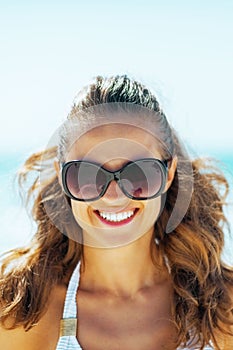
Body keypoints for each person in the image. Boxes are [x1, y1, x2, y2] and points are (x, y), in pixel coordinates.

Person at [0, 75, 233, 350]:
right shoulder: (19, 309)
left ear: (168, 174)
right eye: (88, 173)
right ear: (62, 177)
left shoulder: (223, 307)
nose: (114, 196)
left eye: (139, 172)